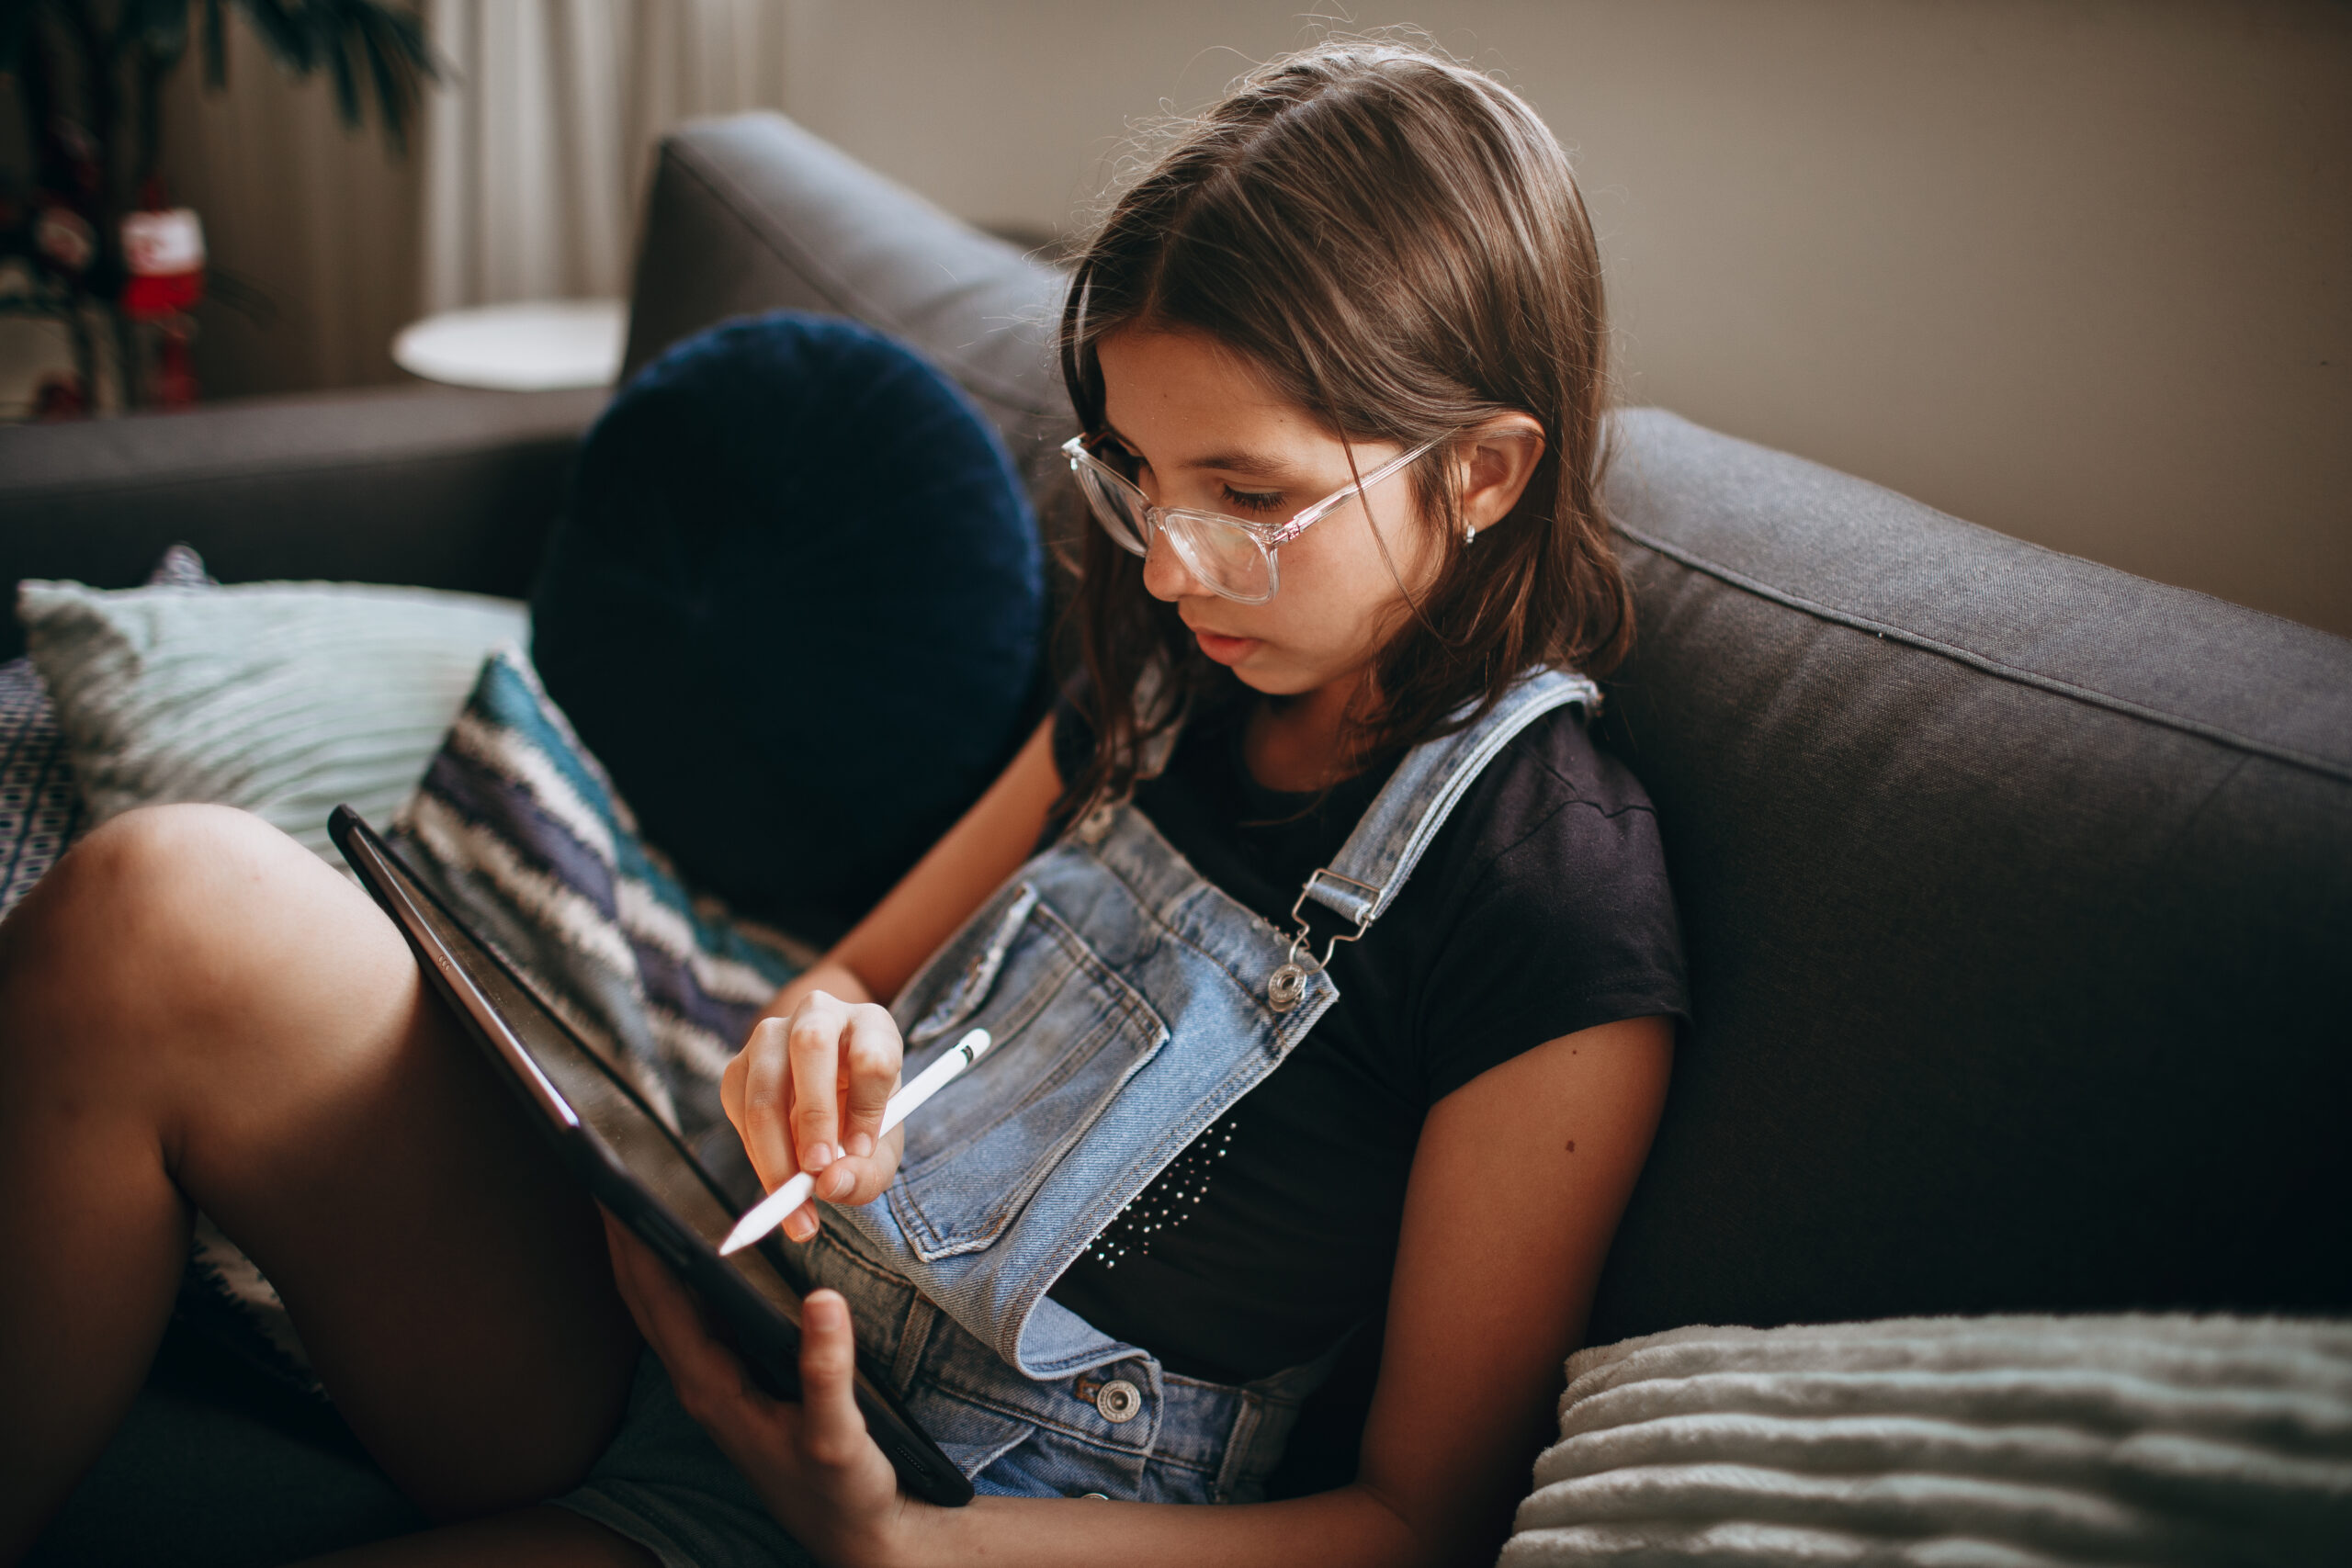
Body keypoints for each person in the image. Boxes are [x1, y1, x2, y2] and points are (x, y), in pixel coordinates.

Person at [0, 38, 1685, 1568]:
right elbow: (840, 986)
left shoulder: (1545, 899)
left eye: (1249, 495)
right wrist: (812, 1051)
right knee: (159, 904)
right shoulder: (1181, 670)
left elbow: (1419, 1525)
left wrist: (912, 1551)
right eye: (1138, 479)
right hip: (739, 1327)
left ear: (1484, 469)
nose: (1170, 565)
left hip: (946, 1530)